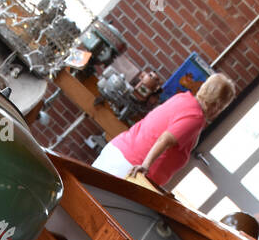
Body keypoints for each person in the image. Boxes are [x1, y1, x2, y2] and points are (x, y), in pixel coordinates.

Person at [92, 73, 237, 187]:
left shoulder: (183, 99)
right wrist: (145, 166)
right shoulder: (196, 117)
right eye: (222, 107)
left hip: (120, 154)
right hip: (130, 168)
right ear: (218, 104)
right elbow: (166, 139)